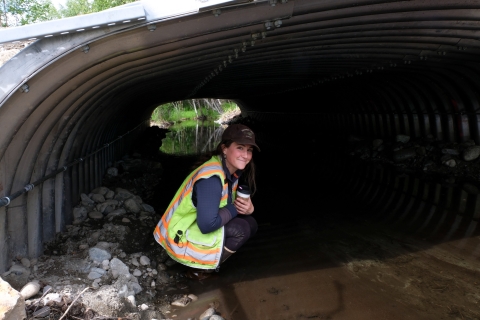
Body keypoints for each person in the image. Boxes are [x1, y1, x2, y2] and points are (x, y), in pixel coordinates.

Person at [153, 124, 259, 280]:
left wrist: (248, 209)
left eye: (249, 150)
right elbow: (207, 225)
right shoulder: (212, 178)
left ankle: (208, 260)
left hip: (191, 226)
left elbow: (224, 205)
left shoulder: (229, 170)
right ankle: (198, 270)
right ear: (224, 148)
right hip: (179, 238)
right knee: (241, 228)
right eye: (240, 148)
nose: (246, 155)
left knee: (250, 223)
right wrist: (236, 208)